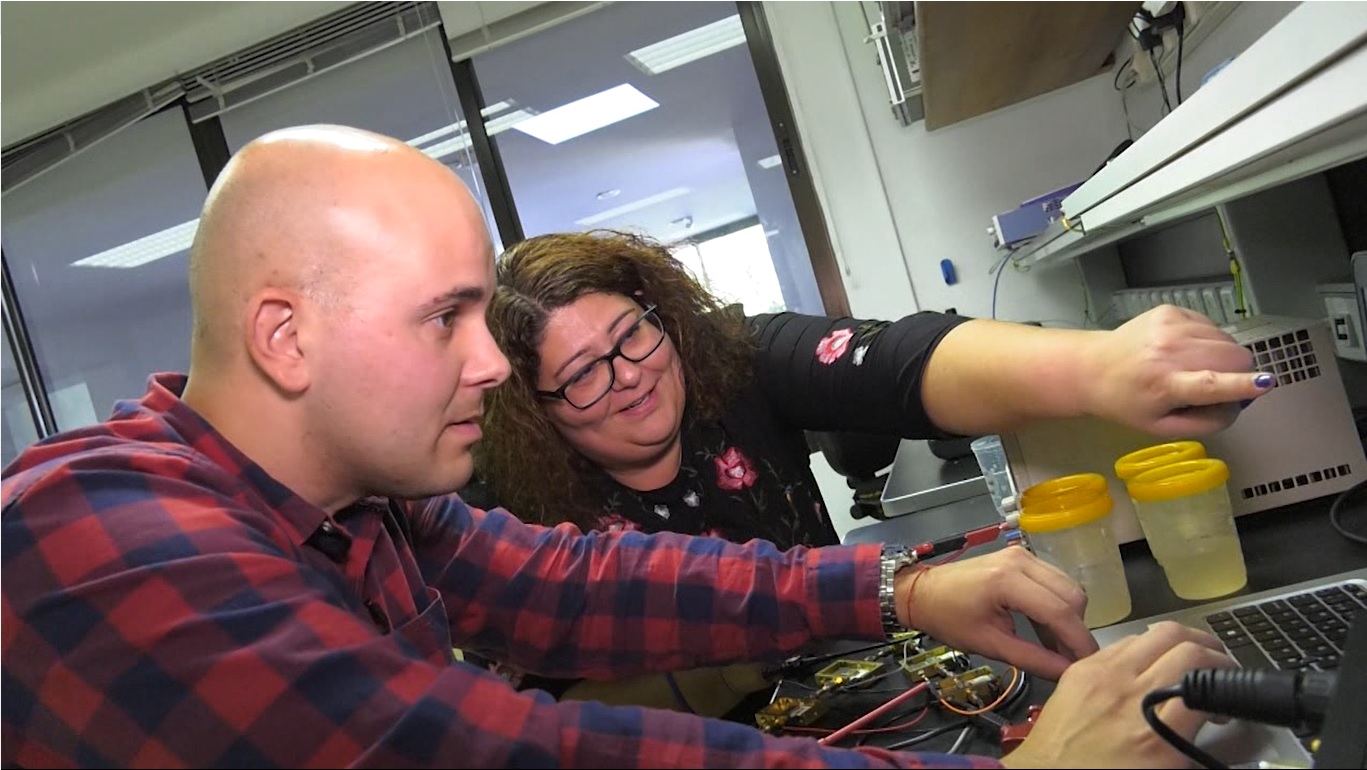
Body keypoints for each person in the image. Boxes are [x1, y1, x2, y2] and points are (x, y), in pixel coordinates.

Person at [2, 124, 1239, 769]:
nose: (493, 368)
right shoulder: (93, 538)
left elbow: (564, 585)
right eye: (446, 319)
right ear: (284, 334)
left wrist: (892, 584)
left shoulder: (352, 500)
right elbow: (491, 754)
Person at [479, 229, 1269, 546]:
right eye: (581, 375)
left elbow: (901, 361)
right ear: (533, 412)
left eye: (632, 335)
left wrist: (1096, 368)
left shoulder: (729, 359)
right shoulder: (509, 508)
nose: (630, 377)